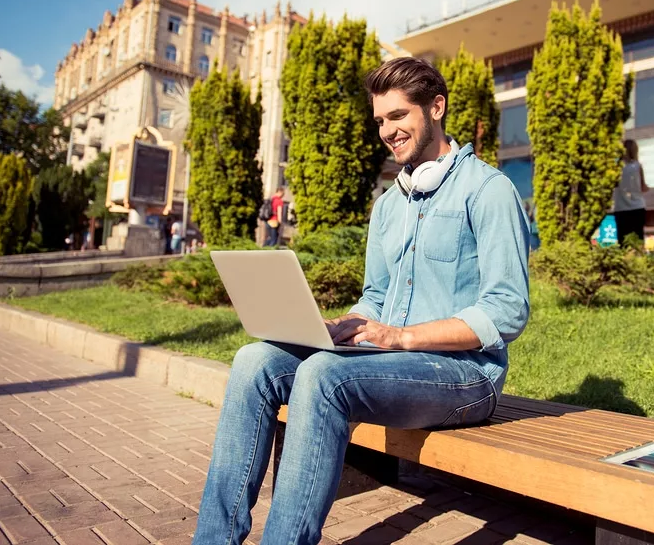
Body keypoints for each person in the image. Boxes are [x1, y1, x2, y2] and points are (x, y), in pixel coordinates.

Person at [192, 57, 531, 545]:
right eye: (380, 121)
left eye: (398, 116)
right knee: (254, 361)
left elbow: (507, 309)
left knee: (324, 377)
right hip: (388, 364)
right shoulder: (389, 205)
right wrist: (344, 325)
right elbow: (376, 295)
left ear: (436, 107)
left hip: (466, 376)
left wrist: (403, 337)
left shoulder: (488, 191)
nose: (388, 131)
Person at [612, 139, 649, 245]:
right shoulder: (637, 166)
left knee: (622, 241)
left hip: (621, 208)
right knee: (638, 241)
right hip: (638, 207)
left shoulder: (617, 168)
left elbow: (613, 184)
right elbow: (643, 187)